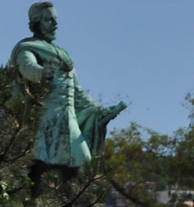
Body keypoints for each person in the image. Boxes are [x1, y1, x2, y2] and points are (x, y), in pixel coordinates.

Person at [11, 4, 126, 170]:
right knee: (35, 164)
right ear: (37, 22)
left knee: (85, 161)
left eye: (55, 20)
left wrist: (98, 111)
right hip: (44, 120)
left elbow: (77, 92)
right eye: (49, 20)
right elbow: (27, 67)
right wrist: (43, 72)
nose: (55, 24)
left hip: (68, 119)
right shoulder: (27, 48)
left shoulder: (64, 54)